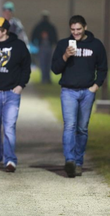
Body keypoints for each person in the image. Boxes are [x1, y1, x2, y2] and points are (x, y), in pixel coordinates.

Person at [51, 15, 108, 178]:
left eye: (79, 29)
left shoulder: (96, 45)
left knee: (82, 129)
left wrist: (95, 86)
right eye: (73, 30)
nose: (75, 33)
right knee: (69, 125)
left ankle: (78, 162)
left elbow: (103, 68)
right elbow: (55, 69)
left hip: (87, 92)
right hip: (68, 91)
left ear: (85, 27)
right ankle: (70, 161)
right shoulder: (63, 45)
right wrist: (65, 56)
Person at [0, 17, 31, 172]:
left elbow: (26, 68)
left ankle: (10, 160)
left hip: (12, 94)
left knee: (9, 127)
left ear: (5, 31)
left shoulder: (18, 46)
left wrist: (20, 86)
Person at [31, 10, 58, 84]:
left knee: (46, 63)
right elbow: (34, 35)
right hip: (43, 46)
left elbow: (54, 37)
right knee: (44, 63)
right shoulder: (48, 26)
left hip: (47, 46)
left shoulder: (43, 26)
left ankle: (46, 78)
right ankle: (45, 78)